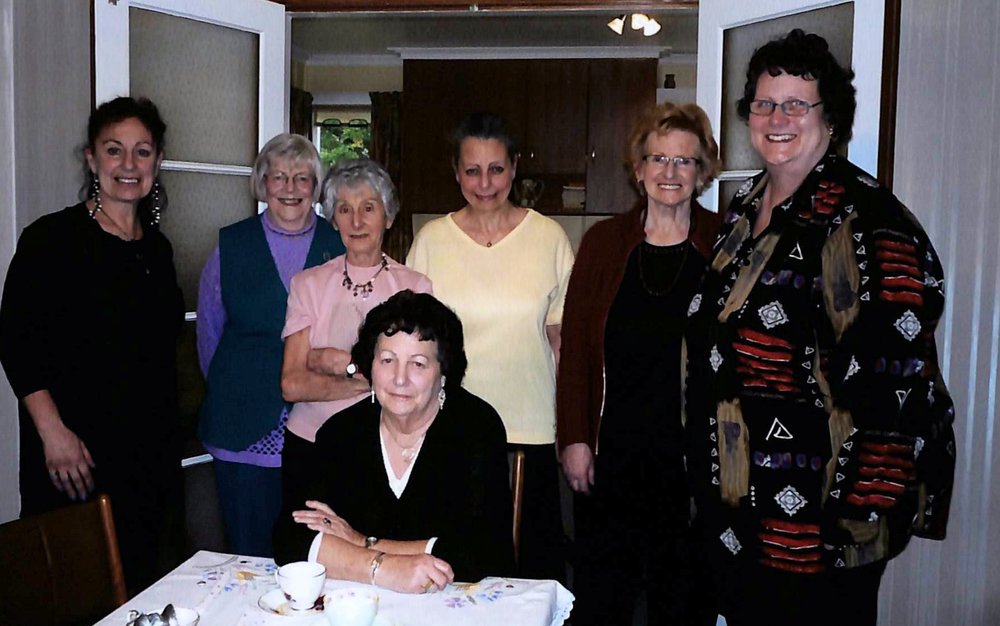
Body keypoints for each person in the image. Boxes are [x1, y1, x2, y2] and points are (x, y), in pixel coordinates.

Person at [685, 29, 956, 626]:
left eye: (796, 104)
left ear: (830, 118)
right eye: (764, 103)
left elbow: (895, 384)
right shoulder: (743, 210)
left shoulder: (868, 222)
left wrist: (852, 524)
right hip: (737, 517)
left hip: (819, 532)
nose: (777, 118)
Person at [0, 96, 184, 590]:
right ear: (91, 158)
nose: (129, 164)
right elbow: (17, 343)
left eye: (142, 151)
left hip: (148, 458)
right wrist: (52, 434)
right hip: (76, 455)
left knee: (147, 590)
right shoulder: (51, 239)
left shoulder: (157, 249)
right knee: (75, 589)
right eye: (113, 149)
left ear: (157, 162)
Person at [556, 102, 722, 625]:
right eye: (658, 159)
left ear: (702, 171)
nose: (670, 172)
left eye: (684, 161)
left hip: (693, 464)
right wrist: (575, 439)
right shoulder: (603, 244)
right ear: (639, 168)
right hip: (613, 458)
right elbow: (575, 350)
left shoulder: (724, 243)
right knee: (604, 600)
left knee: (684, 602)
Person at [406, 112, 574, 581]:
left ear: (515, 167)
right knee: (456, 572)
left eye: (496, 169)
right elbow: (412, 344)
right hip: (449, 430)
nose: (485, 184)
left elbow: (562, 342)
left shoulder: (549, 239)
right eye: (473, 170)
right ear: (456, 172)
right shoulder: (431, 241)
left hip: (531, 429)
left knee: (532, 572)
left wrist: (573, 428)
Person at [273, 290, 514, 592]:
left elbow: (484, 552)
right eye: (387, 360)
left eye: (418, 364)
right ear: (371, 366)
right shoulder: (341, 433)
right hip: (364, 601)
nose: (400, 379)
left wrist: (361, 542)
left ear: (443, 373)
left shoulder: (476, 427)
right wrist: (383, 568)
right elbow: (292, 537)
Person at [196, 133, 345, 557]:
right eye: (278, 177)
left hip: (320, 427)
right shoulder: (231, 246)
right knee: (249, 553)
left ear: (316, 186)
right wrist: (239, 386)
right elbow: (208, 333)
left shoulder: (339, 245)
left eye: (302, 178)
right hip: (240, 425)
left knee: (315, 554)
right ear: (263, 184)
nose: (290, 188)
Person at [279, 159, 432, 498]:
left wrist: (340, 363)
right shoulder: (307, 284)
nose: (357, 221)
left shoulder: (415, 289)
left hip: (387, 449)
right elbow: (292, 384)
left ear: (388, 216)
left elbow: (416, 381)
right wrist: (368, 376)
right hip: (312, 445)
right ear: (334, 220)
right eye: (345, 209)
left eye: (368, 208)